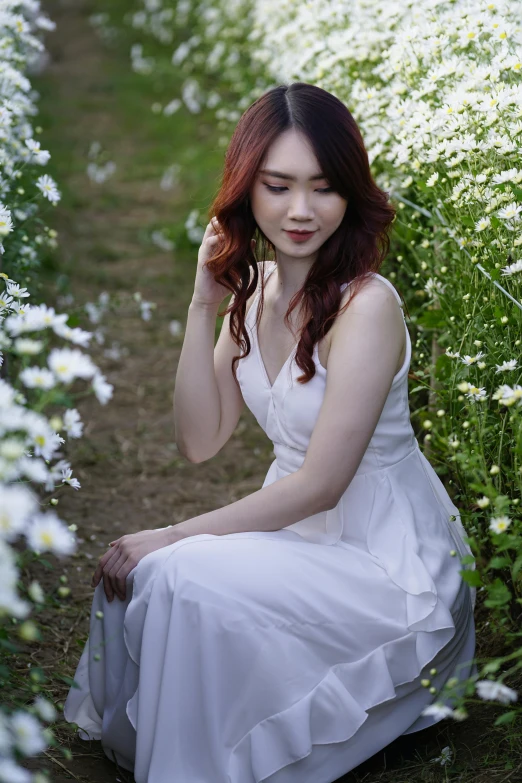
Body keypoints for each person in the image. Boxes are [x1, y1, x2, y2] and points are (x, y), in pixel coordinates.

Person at [63, 82, 477, 783]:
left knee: (178, 571)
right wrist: (203, 303)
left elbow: (322, 484)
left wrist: (173, 530)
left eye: (323, 187)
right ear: (246, 189)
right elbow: (201, 438)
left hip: (383, 558)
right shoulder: (252, 293)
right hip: (301, 533)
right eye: (278, 185)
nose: (300, 210)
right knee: (154, 578)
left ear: (350, 193)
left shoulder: (367, 307)